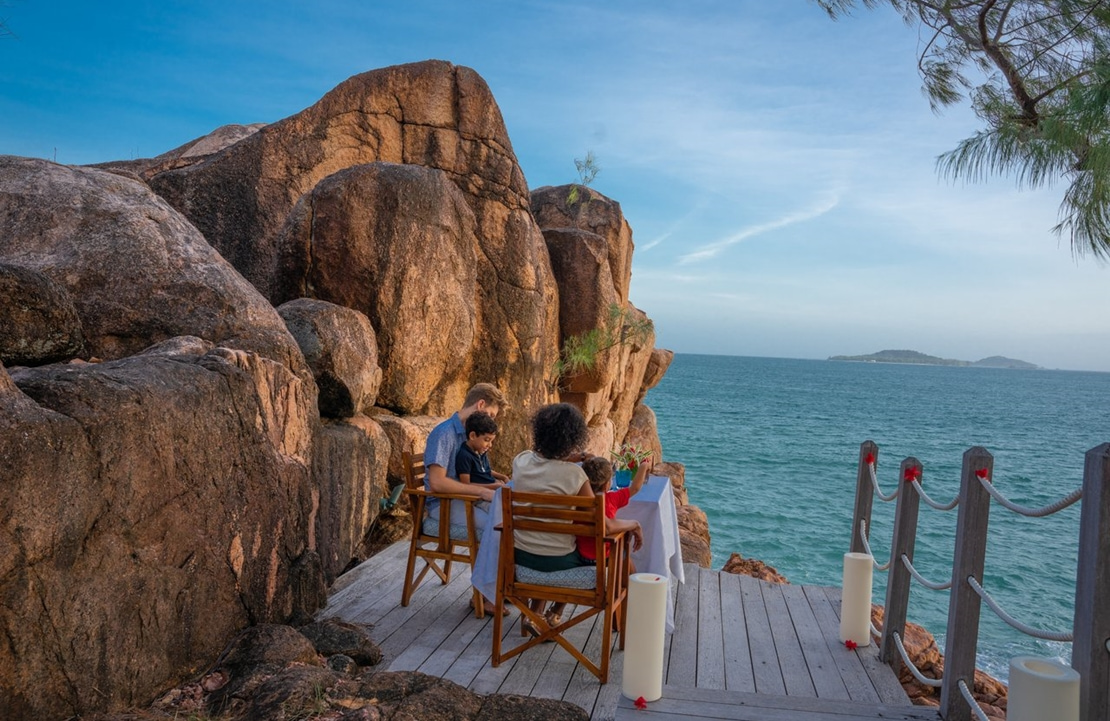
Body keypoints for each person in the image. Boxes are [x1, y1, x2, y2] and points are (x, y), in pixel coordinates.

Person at [510, 403, 642, 635]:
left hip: (520, 559)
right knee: (603, 550)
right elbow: (606, 525)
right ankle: (625, 618)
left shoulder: (520, 462)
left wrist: (578, 457)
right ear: (573, 438)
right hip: (559, 562)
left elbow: (544, 462)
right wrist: (635, 524)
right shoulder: (576, 476)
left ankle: (538, 615)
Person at [423, 383, 508, 530]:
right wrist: (483, 491)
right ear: (481, 404)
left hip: (465, 497)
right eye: (491, 415)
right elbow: (437, 482)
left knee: (507, 514)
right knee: (498, 526)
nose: (491, 421)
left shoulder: (469, 435)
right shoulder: (444, 433)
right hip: (443, 503)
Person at [575, 453, 651, 564]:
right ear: (607, 485)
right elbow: (635, 488)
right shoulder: (611, 499)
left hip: (581, 557)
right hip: (605, 558)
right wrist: (643, 466)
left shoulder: (577, 499)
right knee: (626, 559)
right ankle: (632, 580)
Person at [454, 411, 510, 488]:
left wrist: (503, 477)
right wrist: (494, 486)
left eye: (491, 441)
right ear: (472, 436)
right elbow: (466, 485)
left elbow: (485, 471)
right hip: (480, 495)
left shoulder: (481, 451)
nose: (490, 445)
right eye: (487, 440)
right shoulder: (465, 456)